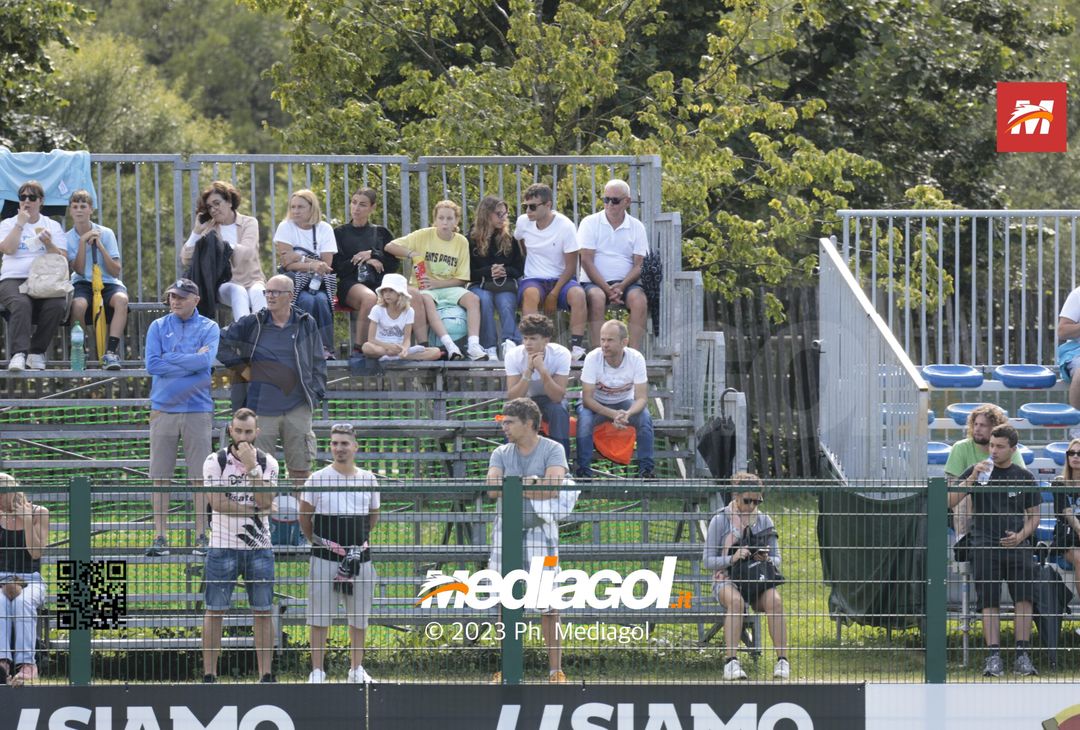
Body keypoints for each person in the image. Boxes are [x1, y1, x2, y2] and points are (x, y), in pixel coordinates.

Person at [486, 398, 569, 684]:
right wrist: (533, 483)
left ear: (529, 423)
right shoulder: (500, 452)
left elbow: (553, 487)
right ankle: (508, 667)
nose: (504, 428)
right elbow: (493, 490)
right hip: (505, 534)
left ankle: (555, 669)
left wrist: (515, 486)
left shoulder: (553, 449)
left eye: (509, 422)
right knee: (506, 603)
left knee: (549, 605)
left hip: (542, 536)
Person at [218, 274, 326, 488]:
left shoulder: (305, 322)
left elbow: (318, 361)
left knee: (301, 472)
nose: (270, 296)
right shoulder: (253, 322)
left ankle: (299, 521)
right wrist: (243, 369)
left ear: (290, 296)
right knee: (259, 472)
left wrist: (316, 393)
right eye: (267, 292)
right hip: (260, 410)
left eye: (276, 292)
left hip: (297, 407)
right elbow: (220, 341)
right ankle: (263, 520)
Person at [949, 423, 1040, 677]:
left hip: (1017, 546)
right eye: (991, 445)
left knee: (1023, 599)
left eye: (1000, 446)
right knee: (988, 601)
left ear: (1013, 448)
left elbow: (1035, 517)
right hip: (984, 544)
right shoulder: (978, 471)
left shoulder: (1024, 476)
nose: (994, 450)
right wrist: (971, 478)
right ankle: (993, 657)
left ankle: (1022, 655)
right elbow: (950, 501)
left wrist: (1021, 536)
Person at [299, 423, 380, 684]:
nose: (339, 448)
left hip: (360, 560)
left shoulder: (369, 478)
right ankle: (318, 671)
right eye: (334, 443)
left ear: (355, 447)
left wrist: (353, 548)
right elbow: (305, 516)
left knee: (359, 617)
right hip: (324, 558)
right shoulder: (317, 478)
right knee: (319, 616)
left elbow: (373, 516)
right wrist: (319, 542)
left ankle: (356, 669)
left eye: (344, 443)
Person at [201, 408, 278, 684]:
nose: (243, 437)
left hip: (259, 547)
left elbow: (267, 501)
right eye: (238, 431)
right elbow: (217, 503)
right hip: (222, 546)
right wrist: (256, 508)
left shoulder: (268, 463)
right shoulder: (215, 461)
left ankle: (265, 674)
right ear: (230, 431)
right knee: (215, 610)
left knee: (262, 610)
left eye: (249, 432)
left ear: (257, 432)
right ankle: (210, 674)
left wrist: (252, 468)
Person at [144, 278, 219, 557]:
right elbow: (152, 364)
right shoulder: (158, 326)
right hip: (163, 408)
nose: (175, 300)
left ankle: (202, 536)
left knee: (200, 477)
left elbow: (206, 362)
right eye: (172, 296)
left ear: (195, 300)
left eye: (181, 297)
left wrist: (171, 359)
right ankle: (160, 536)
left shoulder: (210, 327)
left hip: (197, 409)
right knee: (159, 477)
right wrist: (189, 359)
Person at [703, 472, 789, 681]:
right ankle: (731, 662)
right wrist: (732, 559)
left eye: (757, 501)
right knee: (736, 603)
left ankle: (782, 661)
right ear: (736, 495)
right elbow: (708, 561)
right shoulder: (720, 520)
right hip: (727, 579)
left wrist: (765, 559)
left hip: (756, 578)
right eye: (747, 501)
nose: (751, 506)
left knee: (775, 602)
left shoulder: (764, 520)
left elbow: (777, 559)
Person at [385, 200, 486, 360]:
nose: (445, 222)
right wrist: (412, 253)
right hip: (425, 288)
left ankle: (473, 344)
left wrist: (438, 283)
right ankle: (448, 345)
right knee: (426, 301)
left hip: (448, 286)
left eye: (449, 218)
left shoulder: (461, 241)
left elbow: (462, 279)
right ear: (435, 219)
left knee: (473, 299)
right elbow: (389, 246)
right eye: (441, 218)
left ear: (456, 221)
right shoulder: (423, 234)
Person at [514, 183, 587, 361]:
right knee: (530, 294)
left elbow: (571, 265)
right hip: (534, 278)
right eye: (526, 206)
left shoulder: (565, 226)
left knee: (578, 294)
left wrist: (554, 293)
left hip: (561, 278)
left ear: (548, 205)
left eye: (533, 206)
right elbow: (520, 243)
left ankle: (576, 347)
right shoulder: (523, 222)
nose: (528, 211)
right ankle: (533, 346)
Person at [0, 180, 67, 371]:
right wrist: (20, 224)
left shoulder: (51, 225)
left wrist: (49, 244)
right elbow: (7, 249)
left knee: (57, 305)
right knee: (21, 303)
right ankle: (18, 354)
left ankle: (36, 352)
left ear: (41, 201)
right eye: (22, 197)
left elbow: (63, 258)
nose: (26, 201)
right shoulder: (8, 224)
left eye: (32, 197)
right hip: (13, 278)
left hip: (44, 279)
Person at [576, 319, 654, 479]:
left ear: (624, 342)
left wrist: (628, 413)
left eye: (610, 340)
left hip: (624, 403)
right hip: (595, 404)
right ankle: (583, 472)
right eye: (602, 339)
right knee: (584, 421)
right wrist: (613, 414)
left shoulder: (636, 358)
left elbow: (641, 398)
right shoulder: (592, 358)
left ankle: (646, 471)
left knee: (645, 418)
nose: (604, 344)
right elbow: (587, 399)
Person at [577, 179, 649, 349]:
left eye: (615, 200)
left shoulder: (637, 226)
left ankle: (633, 353)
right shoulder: (589, 222)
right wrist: (607, 288)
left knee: (639, 300)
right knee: (597, 297)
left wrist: (622, 286)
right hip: (594, 282)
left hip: (627, 283)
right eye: (606, 199)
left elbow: (640, 264)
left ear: (627, 201)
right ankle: (598, 352)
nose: (609, 204)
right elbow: (586, 260)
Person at [181, 180, 266, 320]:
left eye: (217, 203)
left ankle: (263, 337)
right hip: (225, 284)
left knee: (259, 292)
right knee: (238, 291)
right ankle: (243, 337)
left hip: (252, 280)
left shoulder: (249, 222)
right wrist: (196, 231)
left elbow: (248, 251)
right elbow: (186, 258)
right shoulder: (210, 230)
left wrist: (222, 247)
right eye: (209, 207)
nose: (213, 209)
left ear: (230, 202)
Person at [65, 189, 129, 370]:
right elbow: (77, 269)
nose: (79, 210)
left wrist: (99, 246)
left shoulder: (106, 233)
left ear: (91, 209)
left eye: (83, 206)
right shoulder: (68, 237)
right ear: (70, 211)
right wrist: (81, 243)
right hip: (82, 282)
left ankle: (110, 352)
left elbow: (115, 271)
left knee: (122, 301)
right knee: (77, 305)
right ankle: (80, 351)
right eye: (75, 206)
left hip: (108, 282)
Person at [274, 189, 338, 359]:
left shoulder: (324, 228)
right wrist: (312, 264)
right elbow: (287, 264)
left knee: (322, 301)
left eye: (300, 207)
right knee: (306, 300)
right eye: (293, 207)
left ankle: (325, 348)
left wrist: (299, 258)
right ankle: (301, 346)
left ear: (312, 208)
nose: (295, 211)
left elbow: (327, 265)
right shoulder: (285, 226)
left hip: (319, 282)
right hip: (294, 281)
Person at [944, 404, 1024, 538]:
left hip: (999, 501)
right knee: (966, 498)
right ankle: (962, 546)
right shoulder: (960, 448)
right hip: (967, 504)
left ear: (995, 428)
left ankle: (1018, 541)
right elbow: (952, 487)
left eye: (983, 425)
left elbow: (1021, 481)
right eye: (975, 424)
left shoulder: (1008, 449)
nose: (977, 429)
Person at [333, 187, 398, 352]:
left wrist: (373, 254)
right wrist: (362, 261)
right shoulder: (339, 233)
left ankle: (404, 349)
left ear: (372, 208)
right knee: (370, 298)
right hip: (350, 284)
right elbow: (336, 268)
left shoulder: (381, 233)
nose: (356, 208)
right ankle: (359, 349)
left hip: (378, 282)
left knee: (408, 295)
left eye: (362, 204)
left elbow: (394, 265)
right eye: (354, 203)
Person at [0, 474, 49, 686]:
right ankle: (2, 663)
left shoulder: (40, 512)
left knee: (23, 602)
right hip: (1, 578)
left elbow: (36, 553)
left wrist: (27, 520)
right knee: (0, 602)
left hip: (31, 578)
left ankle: (27, 665)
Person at [504, 313, 571, 460]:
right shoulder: (513, 355)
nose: (528, 343)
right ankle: (511, 465)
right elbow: (513, 397)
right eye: (525, 338)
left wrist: (542, 370)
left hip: (550, 401)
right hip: (525, 401)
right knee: (512, 413)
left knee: (559, 411)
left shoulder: (561, 354)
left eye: (533, 338)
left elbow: (557, 396)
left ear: (546, 340)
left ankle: (561, 465)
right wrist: (528, 370)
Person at [467, 196, 524, 360]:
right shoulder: (470, 239)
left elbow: (519, 268)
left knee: (506, 301)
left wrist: (504, 271)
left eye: (505, 214)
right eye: (499, 214)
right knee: (483, 300)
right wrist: (488, 271)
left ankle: (509, 343)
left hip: (504, 284)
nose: (503, 218)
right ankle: (489, 346)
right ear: (486, 214)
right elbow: (467, 273)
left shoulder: (508, 239)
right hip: (481, 284)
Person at [360, 273, 442, 361]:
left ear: (400, 293)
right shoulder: (377, 309)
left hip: (399, 347)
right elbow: (371, 339)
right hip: (381, 347)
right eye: (385, 291)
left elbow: (407, 339)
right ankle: (396, 356)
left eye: (391, 291)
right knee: (366, 347)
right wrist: (389, 347)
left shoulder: (409, 311)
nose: (387, 294)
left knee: (436, 352)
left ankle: (397, 357)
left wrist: (405, 349)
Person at [1051, 438, 1080, 600]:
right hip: (1068, 539)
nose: (1075, 456)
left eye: (1079, 453)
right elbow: (1067, 512)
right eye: (1071, 453)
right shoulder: (1059, 483)